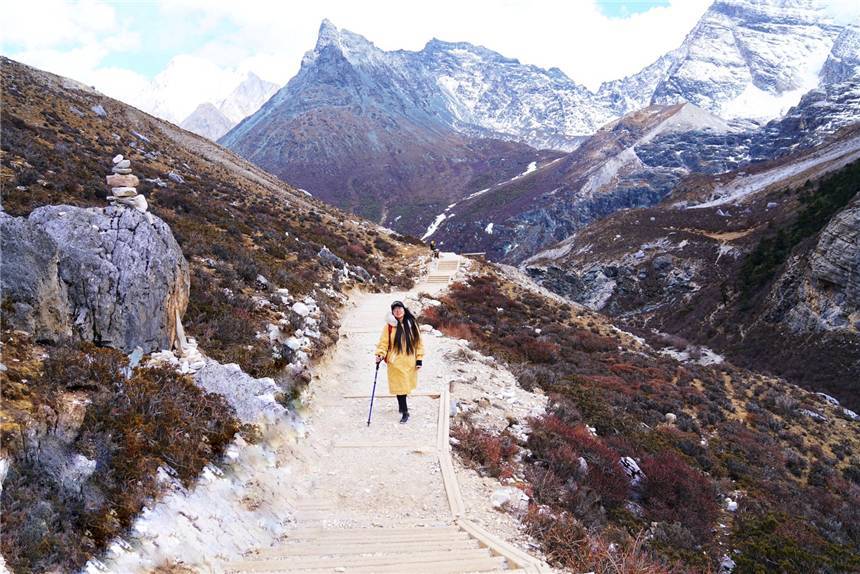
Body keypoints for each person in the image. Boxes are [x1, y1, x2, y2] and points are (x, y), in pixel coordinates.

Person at [375, 300, 424, 423]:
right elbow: (383, 343)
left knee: (405, 386)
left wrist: (419, 359)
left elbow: (419, 343)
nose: (398, 311)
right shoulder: (389, 327)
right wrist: (380, 354)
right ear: (392, 312)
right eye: (395, 309)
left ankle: (402, 407)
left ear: (404, 309)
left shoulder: (411, 323)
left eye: (400, 308)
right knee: (400, 386)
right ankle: (404, 411)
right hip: (395, 362)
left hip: (409, 361)